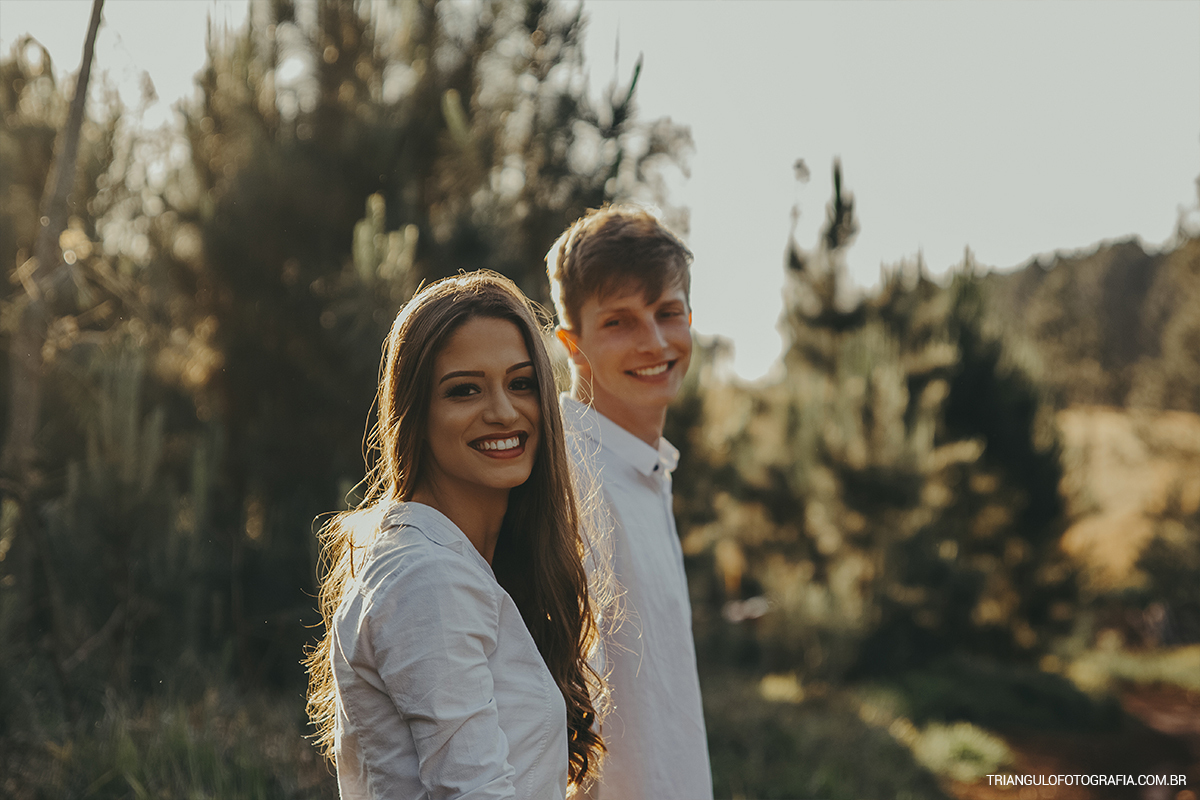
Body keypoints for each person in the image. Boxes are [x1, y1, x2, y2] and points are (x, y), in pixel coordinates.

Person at [305, 271, 605, 799]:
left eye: (521, 383)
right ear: (415, 414)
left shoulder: (455, 565)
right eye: (464, 390)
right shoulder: (429, 577)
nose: (503, 411)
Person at [546, 206, 713, 800]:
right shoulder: (572, 485)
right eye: (619, 321)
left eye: (668, 312)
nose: (654, 341)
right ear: (572, 344)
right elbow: (550, 721)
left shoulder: (641, 469)